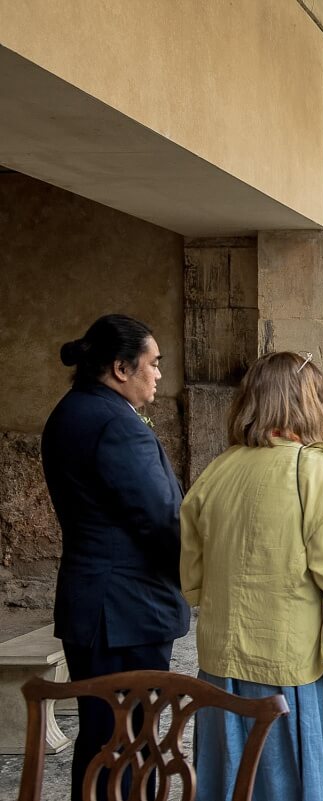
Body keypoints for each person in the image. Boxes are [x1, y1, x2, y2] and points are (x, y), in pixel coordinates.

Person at [180, 351, 323, 799]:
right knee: (298, 778)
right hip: (294, 663)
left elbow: (192, 577)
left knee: (234, 778)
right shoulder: (315, 465)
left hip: (223, 661)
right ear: (309, 402)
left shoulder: (219, 468)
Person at [41, 314, 190, 801]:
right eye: (154, 364)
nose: (159, 374)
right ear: (121, 368)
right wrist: (195, 572)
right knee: (128, 744)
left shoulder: (76, 409)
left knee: (104, 739)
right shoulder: (112, 422)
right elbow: (159, 517)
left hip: (102, 604)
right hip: (124, 610)